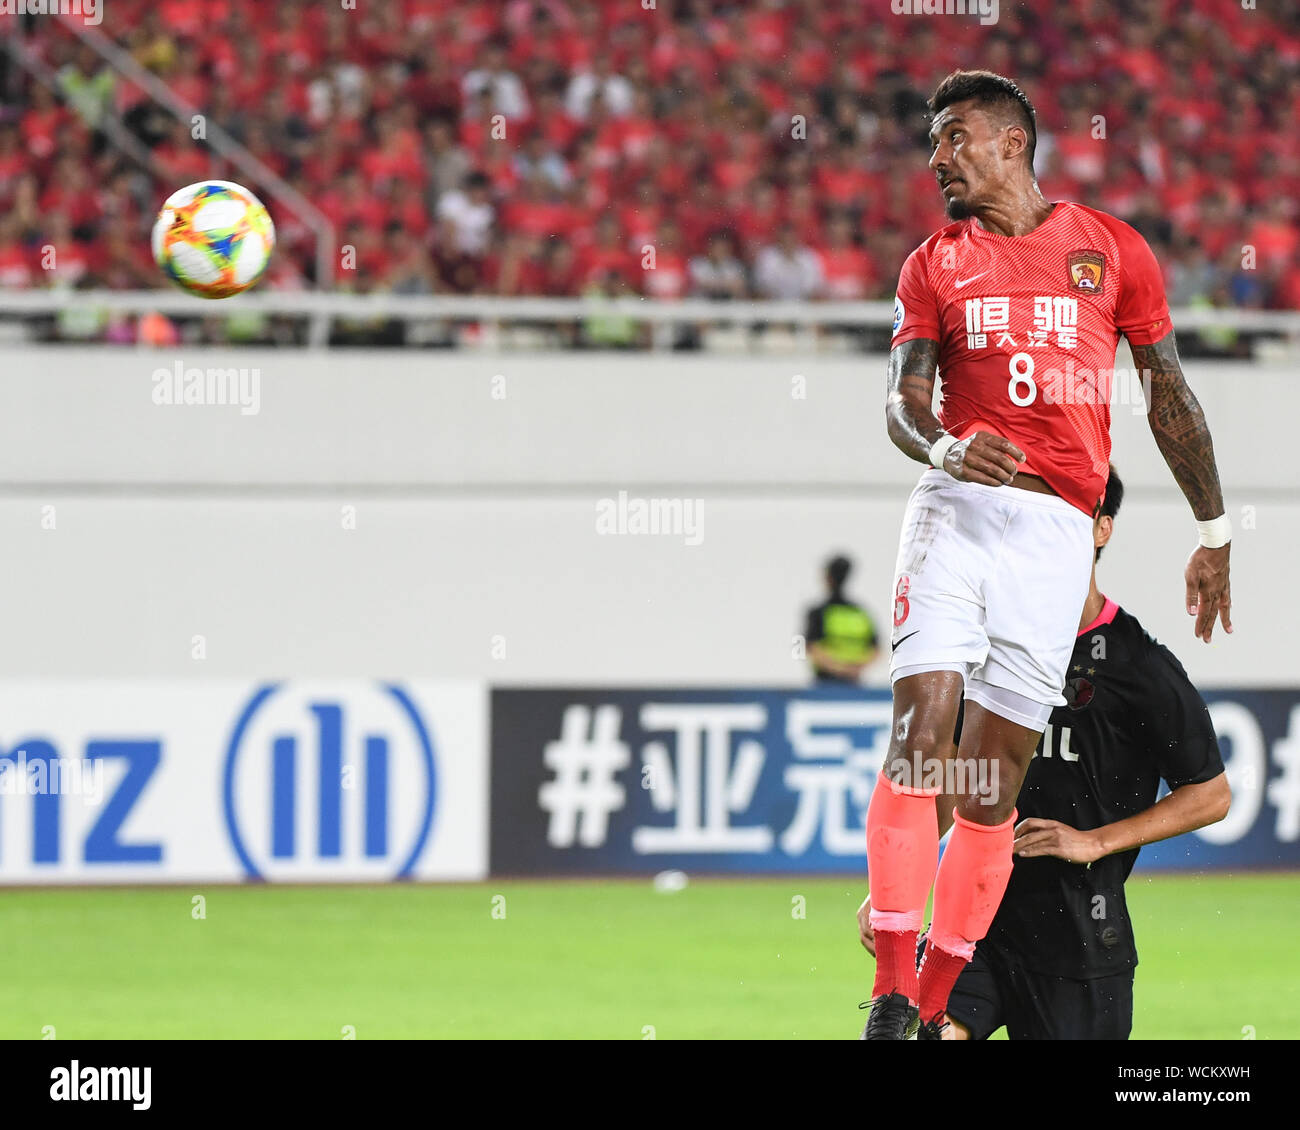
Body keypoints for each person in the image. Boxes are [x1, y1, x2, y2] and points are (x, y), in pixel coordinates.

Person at [862, 70, 1233, 1040]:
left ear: (1010, 143)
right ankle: (892, 989)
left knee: (987, 785)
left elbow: (1170, 397)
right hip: (955, 505)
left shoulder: (1111, 250)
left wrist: (1214, 531)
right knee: (922, 721)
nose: (935, 159)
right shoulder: (930, 264)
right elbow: (901, 401)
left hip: (1057, 532)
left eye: (951, 138)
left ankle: (931, 1005)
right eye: (933, 144)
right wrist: (944, 446)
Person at [857, 466, 1231, 1039]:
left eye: (1067, 505)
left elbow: (1211, 794)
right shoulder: (989, 644)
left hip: (1079, 938)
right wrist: (894, 899)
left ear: (1101, 529)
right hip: (977, 922)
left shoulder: (1136, 664)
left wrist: (1096, 842)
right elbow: (960, 775)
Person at [803, 555, 879, 685]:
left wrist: (840, 669)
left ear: (828, 578)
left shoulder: (820, 612)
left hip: (827, 685)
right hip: (844, 682)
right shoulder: (860, 613)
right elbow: (876, 650)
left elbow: (808, 647)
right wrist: (854, 668)